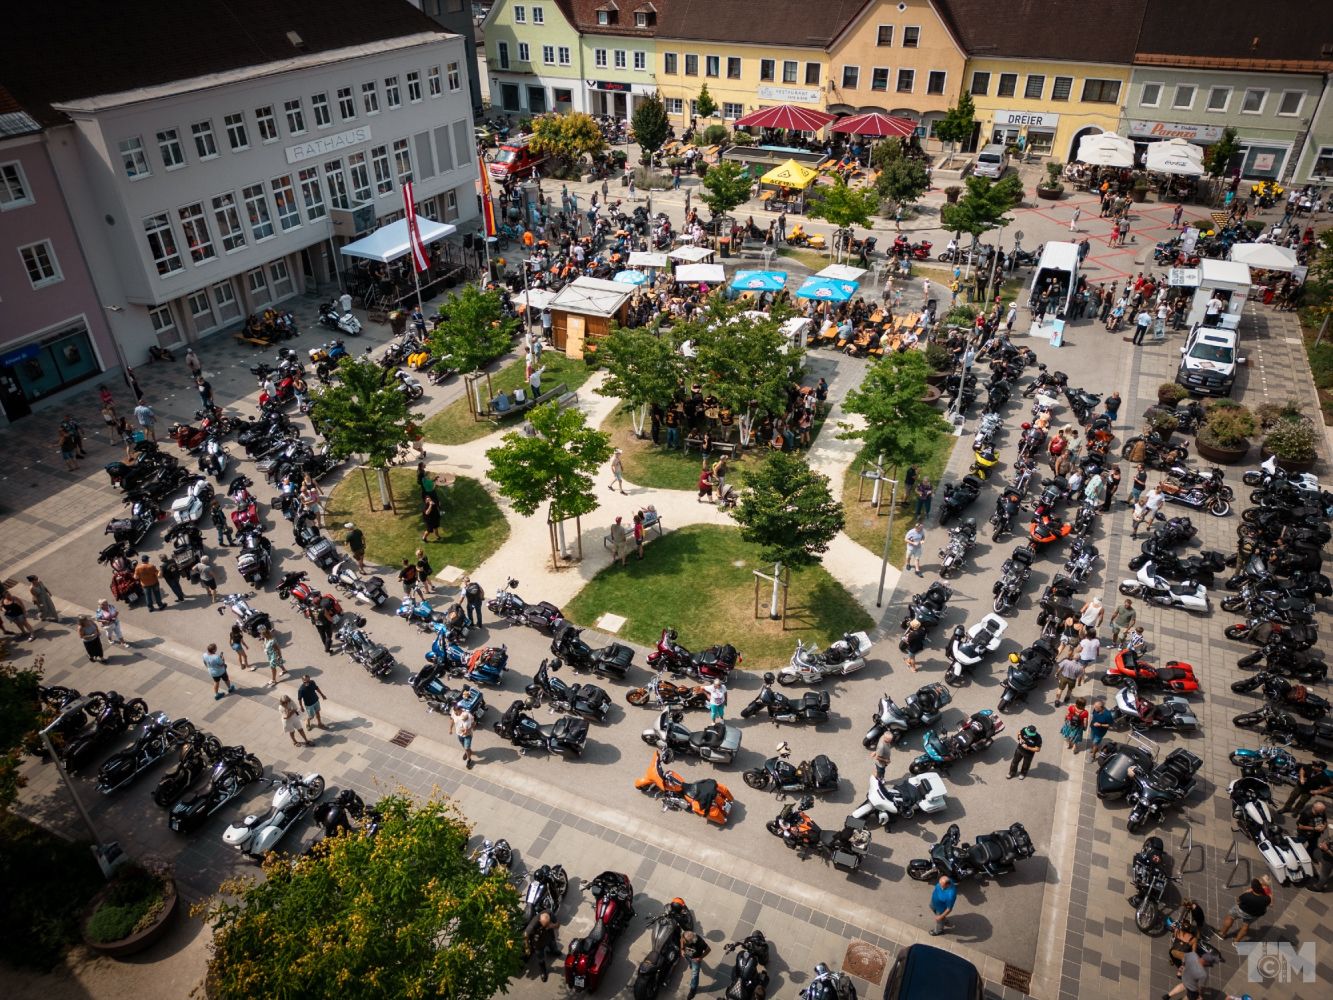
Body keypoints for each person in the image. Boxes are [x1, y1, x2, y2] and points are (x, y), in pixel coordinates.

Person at [1217, 878, 1273, 944]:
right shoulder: (1267, 899)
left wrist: (1247, 891)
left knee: (1230, 917)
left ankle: (1222, 933)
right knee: (1246, 925)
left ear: (1253, 888)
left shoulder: (1247, 895)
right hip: (1254, 915)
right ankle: (1236, 942)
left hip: (1241, 910)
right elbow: (1270, 904)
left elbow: (1238, 899)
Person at [527, 910, 560, 982]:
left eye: (548, 924)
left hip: (549, 937)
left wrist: (552, 926)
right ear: (540, 921)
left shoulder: (550, 914)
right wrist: (527, 947)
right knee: (540, 958)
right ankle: (543, 971)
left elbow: (558, 924)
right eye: (545, 925)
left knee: (552, 944)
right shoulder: (533, 924)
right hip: (538, 943)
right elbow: (525, 935)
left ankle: (553, 951)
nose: (546, 926)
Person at [682, 928, 711, 999]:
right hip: (688, 956)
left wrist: (700, 958)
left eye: (686, 941)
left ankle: (693, 990)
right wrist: (682, 950)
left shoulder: (699, 942)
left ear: (692, 941)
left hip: (695, 960)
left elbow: (708, 949)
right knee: (690, 962)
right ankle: (691, 965)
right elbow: (681, 941)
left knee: (695, 974)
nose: (684, 941)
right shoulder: (684, 937)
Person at [450, 700, 476, 769]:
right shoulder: (454, 713)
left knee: (466, 748)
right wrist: (450, 729)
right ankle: (468, 752)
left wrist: (469, 730)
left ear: (460, 710)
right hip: (459, 734)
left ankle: (469, 760)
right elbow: (452, 720)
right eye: (454, 712)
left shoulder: (468, 715)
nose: (455, 713)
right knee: (465, 747)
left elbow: (474, 723)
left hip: (467, 735)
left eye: (456, 712)